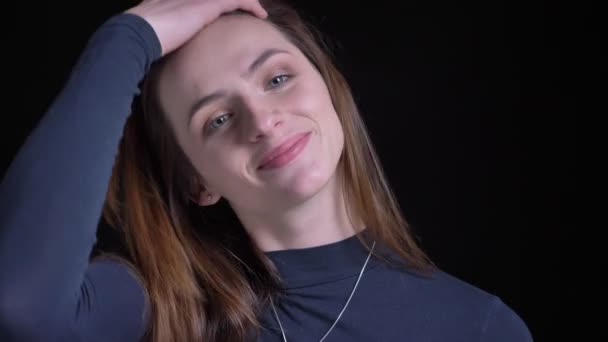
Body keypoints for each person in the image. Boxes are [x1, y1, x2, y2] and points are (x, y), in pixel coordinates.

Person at [0, 0, 533, 341]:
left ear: (331, 91)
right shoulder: (158, 309)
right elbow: (21, 307)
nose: (262, 120)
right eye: (219, 119)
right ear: (197, 182)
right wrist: (130, 36)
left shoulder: (479, 327)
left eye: (277, 79)